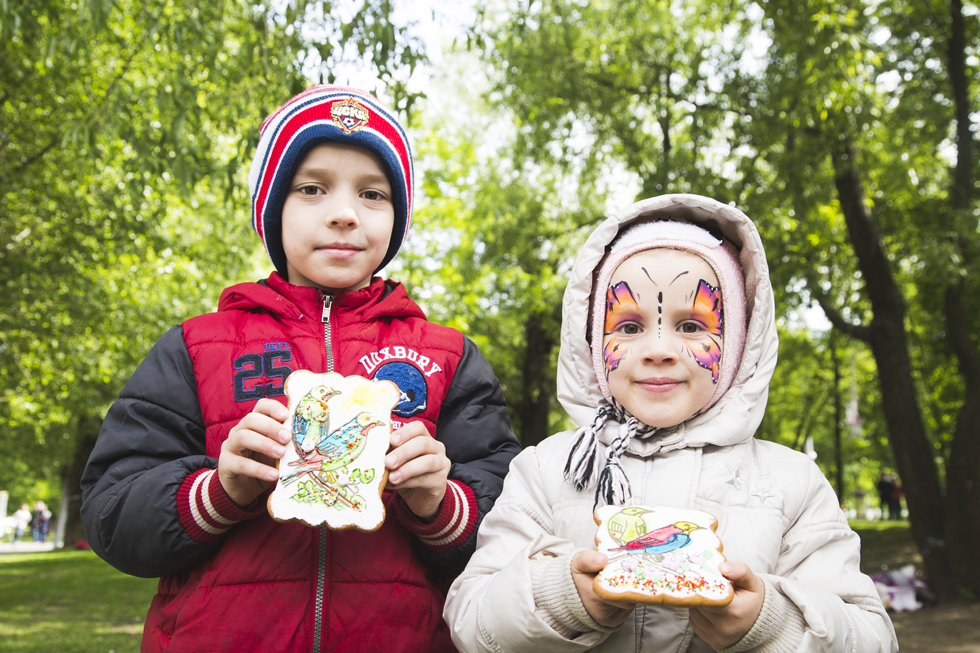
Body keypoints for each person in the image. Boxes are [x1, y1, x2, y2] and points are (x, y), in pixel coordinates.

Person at [80, 85, 522, 653]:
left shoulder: (449, 358)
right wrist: (220, 489)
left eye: (373, 194)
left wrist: (441, 503)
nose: (344, 214)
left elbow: (511, 525)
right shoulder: (195, 348)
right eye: (311, 188)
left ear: (397, 217)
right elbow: (112, 515)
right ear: (272, 207)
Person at [444, 195, 897, 652]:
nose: (658, 348)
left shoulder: (792, 484)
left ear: (738, 343)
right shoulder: (545, 470)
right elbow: (470, 621)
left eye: (692, 325)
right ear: (590, 341)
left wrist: (771, 625)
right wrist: (562, 600)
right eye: (627, 327)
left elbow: (873, 638)